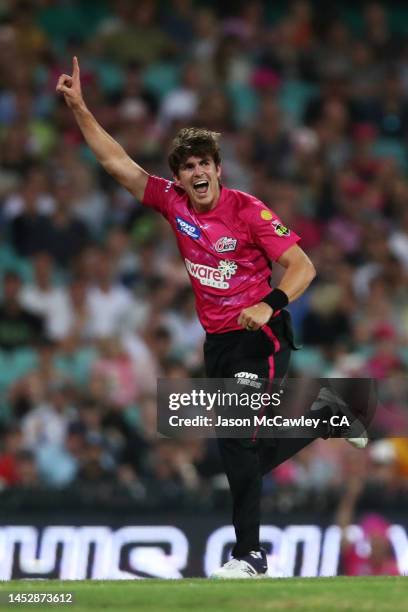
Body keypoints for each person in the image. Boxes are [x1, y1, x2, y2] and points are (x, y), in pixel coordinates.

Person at [57, 57, 366, 579]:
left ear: (219, 168)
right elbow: (118, 165)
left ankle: (250, 556)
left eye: (205, 163)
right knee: (240, 453)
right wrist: (81, 109)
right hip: (216, 342)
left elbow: (302, 266)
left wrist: (269, 303)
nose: (197, 173)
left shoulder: (248, 210)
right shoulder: (173, 204)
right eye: (187, 166)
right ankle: (325, 414)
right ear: (178, 175)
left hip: (262, 335)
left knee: (238, 442)